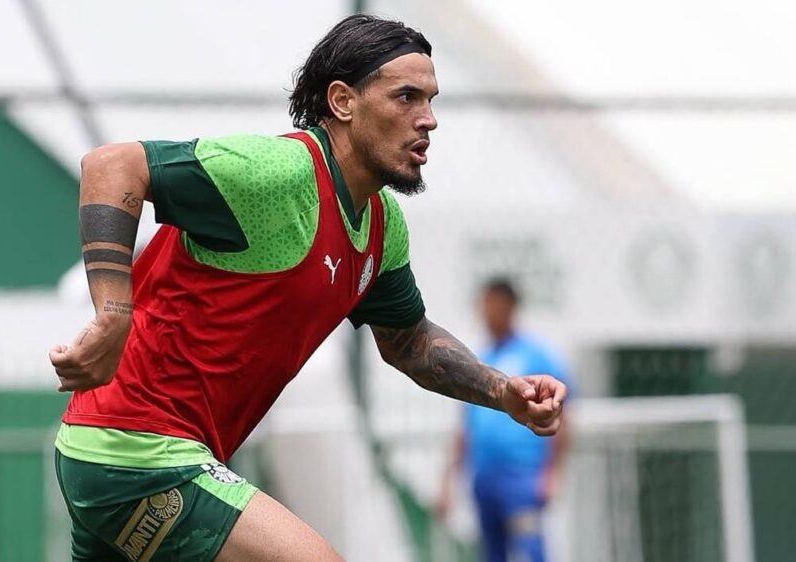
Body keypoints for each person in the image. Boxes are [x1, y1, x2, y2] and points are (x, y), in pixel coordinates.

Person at [49, 15, 568, 562]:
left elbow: (408, 340)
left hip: (132, 454)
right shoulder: (279, 174)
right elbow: (112, 166)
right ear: (343, 101)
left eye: (432, 100)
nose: (429, 120)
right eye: (406, 97)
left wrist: (501, 392)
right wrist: (113, 312)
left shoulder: (381, 223)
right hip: (133, 449)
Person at [435, 278, 572, 562]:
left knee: (530, 551)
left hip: (522, 478)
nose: (485, 312)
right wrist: (449, 480)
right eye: (482, 305)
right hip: (484, 477)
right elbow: (465, 427)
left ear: (509, 307)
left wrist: (553, 473)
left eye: (491, 304)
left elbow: (564, 416)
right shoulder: (480, 359)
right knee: (490, 554)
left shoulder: (536, 355)